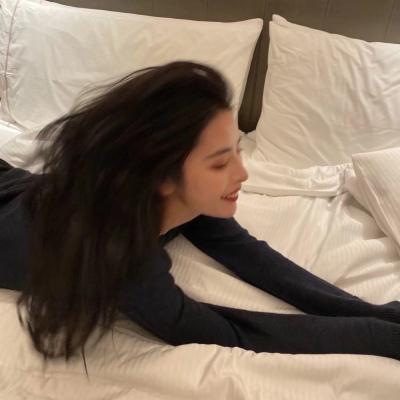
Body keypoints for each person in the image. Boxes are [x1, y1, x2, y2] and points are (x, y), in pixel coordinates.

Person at [1, 61, 400, 369]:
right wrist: (377, 336)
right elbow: (227, 331)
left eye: (238, 151)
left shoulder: (166, 194)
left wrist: (371, 311)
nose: (242, 173)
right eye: (219, 163)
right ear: (162, 176)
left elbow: (250, 255)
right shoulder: (120, 249)